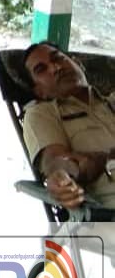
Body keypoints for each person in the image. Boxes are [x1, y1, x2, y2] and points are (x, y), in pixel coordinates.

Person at [22, 41, 115, 212]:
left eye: (58, 58)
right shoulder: (42, 113)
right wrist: (60, 175)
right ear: (39, 91)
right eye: (42, 69)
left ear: (78, 63)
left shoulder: (111, 101)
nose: (56, 68)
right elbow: (54, 160)